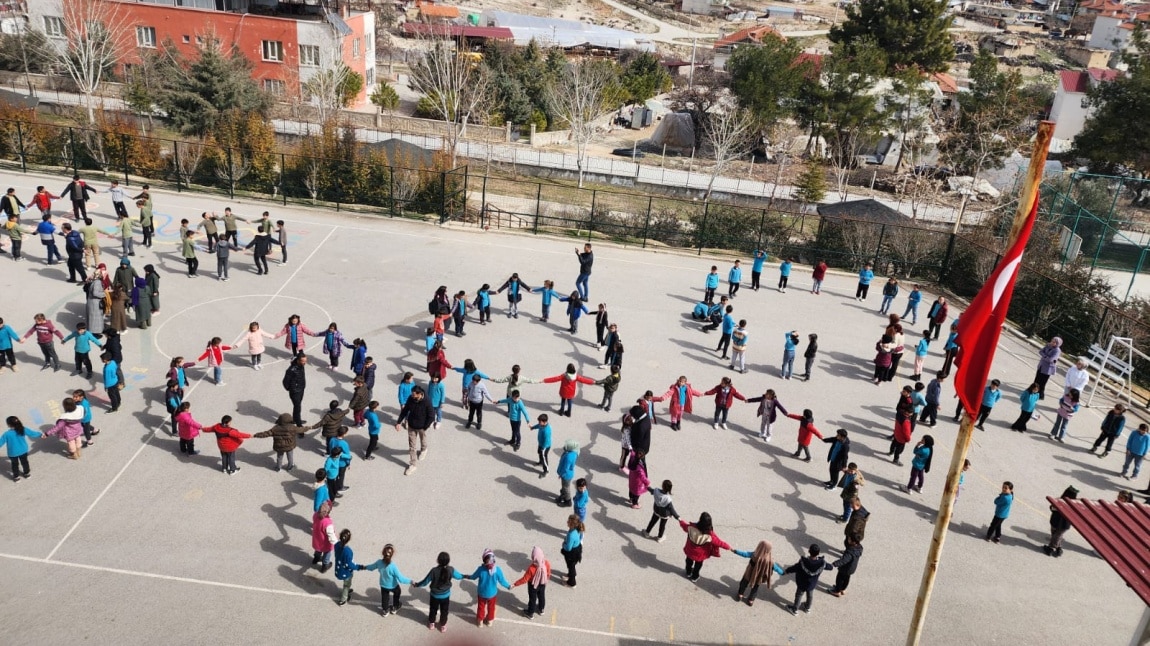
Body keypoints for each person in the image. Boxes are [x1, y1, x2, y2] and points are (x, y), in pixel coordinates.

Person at [413, 552, 465, 631]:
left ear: (438, 560)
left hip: (434, 595)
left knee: (433, 609)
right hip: (445, 596)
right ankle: (443, 625)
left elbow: (425, 582)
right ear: (448, 561)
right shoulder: (451, 569)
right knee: (444, 611)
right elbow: (459, 576)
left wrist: (417, 585)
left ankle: (431, 623)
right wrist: (465, 576)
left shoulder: (434, 571)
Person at [465, 549, 512, 626]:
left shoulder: (480, 569)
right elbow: (502, 581)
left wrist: (467, 576)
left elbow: (473, 577)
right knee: (491, 607)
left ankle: (480, 621)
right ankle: (490, 621)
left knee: (481, 607)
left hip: (482, 593)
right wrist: (508, 586)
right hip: (492, 594)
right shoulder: (497, 570)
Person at [680, 512, 731, 582]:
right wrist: (728, 547)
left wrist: (680, 520)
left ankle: (688, 572)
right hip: (700, 554)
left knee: (688, 561)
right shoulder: (709, 535)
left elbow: (684, 526)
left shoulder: (691, 527)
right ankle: (694, 577)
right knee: (698, 565)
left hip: (690, 550)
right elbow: (719, 542)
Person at [362, 543, 412, 616]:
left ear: (383, 553)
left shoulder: (379, 562)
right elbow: (401, 579)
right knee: (397, 592)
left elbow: (371, 567)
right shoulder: (392, 566)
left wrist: (364, 567)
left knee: (385, 597)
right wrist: (411, 581)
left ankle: (385, 610)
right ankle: (395, 606)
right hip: (393, 585)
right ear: (392, 554)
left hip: (383, 585)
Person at [783, 544, 833, 614]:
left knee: (799, 595)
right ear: (818, 553)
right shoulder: (821, 563)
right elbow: (829, 567)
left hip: (802, 583)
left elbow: (795, 568)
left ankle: (795, 609)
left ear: (809, 551)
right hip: (812, 584)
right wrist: (832, 566)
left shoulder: (803, 562)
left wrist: (786, 571)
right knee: (810, 595)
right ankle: (807, 607)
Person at [395, 386, 434, 475]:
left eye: (414, 395)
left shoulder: (427, 401)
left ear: (420, 394)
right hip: (412, 425)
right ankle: (413, 464)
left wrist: (425, 427)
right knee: (412, 446)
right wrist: (398, 422)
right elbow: (405, 411)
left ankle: (424, 449)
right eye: (412, 394)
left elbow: (431, 416)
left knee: (422, 439)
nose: (412, 396)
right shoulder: (411, 398)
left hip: (422, 426)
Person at [513, 546, 551, 619]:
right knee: (541, 596)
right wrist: (546, 580)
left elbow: (524, 579)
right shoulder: (546, 563)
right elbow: (548, 573)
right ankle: (541, 609)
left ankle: (530, 613)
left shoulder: (531, 568)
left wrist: (515, 584)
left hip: (533, 585)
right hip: (542, 583)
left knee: (532, 599)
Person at [2, 416, 42, 481]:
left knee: (14, 464)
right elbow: (32, 433)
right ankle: (27, 473)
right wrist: (41, 435)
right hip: (23, 451)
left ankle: (16, 477)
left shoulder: (7, 434)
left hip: (13, 453)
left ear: (9, 425)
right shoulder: (23, 429)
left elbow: (0, 442)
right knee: (25, 462)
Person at [1043, 486, 1078, 557]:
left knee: (1055, 534)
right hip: (1065, 524)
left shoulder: (1059, 501)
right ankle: (1058, 547)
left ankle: (1051, 548)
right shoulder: (1074, 504)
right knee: (1058, 535)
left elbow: (1052, 508)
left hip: (1055, 521)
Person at [333, 529, 360, 607]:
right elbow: (349, 564)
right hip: (346, 572)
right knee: (346, 585)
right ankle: (344, 599)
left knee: (346, 584)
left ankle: (346, 592)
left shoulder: (337, 545)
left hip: (339, 569)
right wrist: (358, 567)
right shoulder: (348, 551)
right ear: (349, 539)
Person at [283, 353, 309, 427]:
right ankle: (299, 426)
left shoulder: (301, 366)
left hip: (301, 389)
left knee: (297, 406)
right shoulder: (291, 370)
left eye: (305, 361)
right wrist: (292, 389)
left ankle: (295, 419)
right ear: (298, 360)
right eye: (303, 361)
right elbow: (285, 382)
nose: (305, 363)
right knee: (298, 408)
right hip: (295, 392)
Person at [311, 500, 336, 573]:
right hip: (325, 543)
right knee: (327, 553)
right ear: (328, 512)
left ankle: (316, 559)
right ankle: (325, 565)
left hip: (316, 539)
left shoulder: (315, 515)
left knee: (317, 550)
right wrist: (336, 543)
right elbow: (331, 535)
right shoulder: (327, 523)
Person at [560, 515, 585, 587]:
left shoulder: (571, 534)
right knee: (572, 566)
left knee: (571, 566)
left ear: (572, 524)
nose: (567, 522)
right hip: (577, 550)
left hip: (572, 554)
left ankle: (572, 583)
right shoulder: (576, 529)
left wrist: (563, 544)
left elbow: (568, 548)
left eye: (568, 521)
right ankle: (571, 574)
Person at [556, 439, 580, 506]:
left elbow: (565, 468)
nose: (564, 447)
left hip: (566, 475)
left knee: (566, 488)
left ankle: (568, 501)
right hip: (567, 474)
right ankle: (563, 495)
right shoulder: (573, 453)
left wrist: (561, 474)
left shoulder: (568, 457)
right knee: (564, 486)